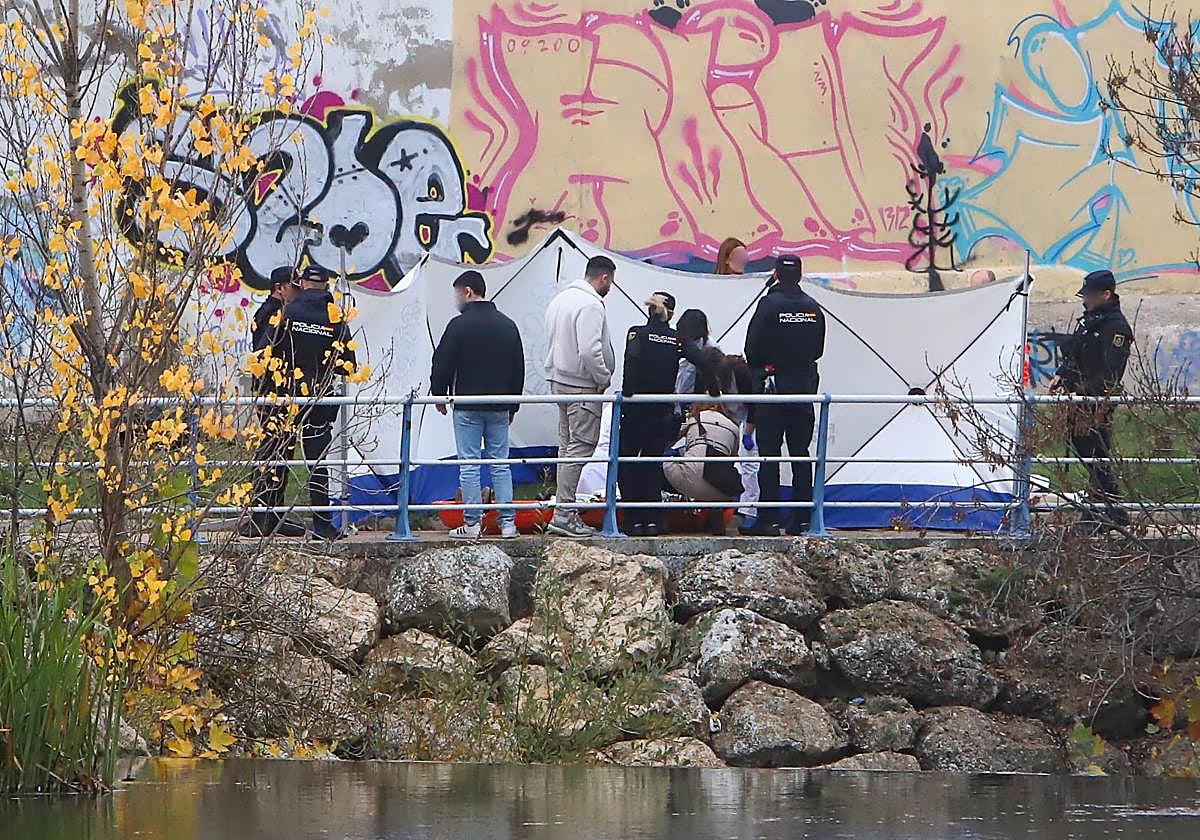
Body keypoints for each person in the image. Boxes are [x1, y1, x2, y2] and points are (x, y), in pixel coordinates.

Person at [242, 265, 358, 541]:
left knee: (276, 453)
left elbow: (266, 355)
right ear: (327, 287)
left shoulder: (288, 313)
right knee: (318, 461)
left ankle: (263, 518)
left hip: (285, 396)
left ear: (303, 285)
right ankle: (322, 525)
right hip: (320, 397)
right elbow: (348, 365)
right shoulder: (335, 317)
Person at [430, 270, 525, 540]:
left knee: (469, 464)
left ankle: (472, 525)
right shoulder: (507, 325)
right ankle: (508, 524)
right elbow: (519, 367)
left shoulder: (458, 325)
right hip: (499, 406)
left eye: (458, 293)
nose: (456, 299)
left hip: (467, 405)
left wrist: (439, 393)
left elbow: (442, 362)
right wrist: (513, 405)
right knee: (500, 464)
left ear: (468, 292)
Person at [620, 292, 716, 536]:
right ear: (670, 314)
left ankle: (632, 521)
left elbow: (631, 361)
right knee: (652, 463)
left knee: (628, 463)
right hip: (661, 411)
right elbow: (704, 362)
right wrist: (713, 391)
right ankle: (652, 520)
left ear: (649, 310)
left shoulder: (636, 332)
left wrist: (628, 392)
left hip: (635, 410)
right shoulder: (677, 339)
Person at [743, 255, 825, 536]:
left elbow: (751, 348)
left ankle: (768, 518)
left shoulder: (768, 305)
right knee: (801, 454)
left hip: (772, 389)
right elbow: (817, 351)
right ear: (800, 277)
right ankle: (802, 518)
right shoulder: (812, 308)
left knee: (769, 454)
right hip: (803, 389)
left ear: (776, 274)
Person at [1049, 268, 1134, 527]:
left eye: (1089, 295)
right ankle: (1107, 510)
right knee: (1086, 451)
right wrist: (1061, 375)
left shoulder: (1115, 328)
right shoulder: (1090, 322)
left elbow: (1111, 372)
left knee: (1094, 452)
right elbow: (1076, 352)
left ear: (1105, 295)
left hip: (1097, 402)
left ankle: (1105, 511)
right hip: (1079, 400)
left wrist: (1083, 392)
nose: (1084, 300)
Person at [543, 255, 617, 537]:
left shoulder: (561, 299)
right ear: (604, 278)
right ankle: (564, 513)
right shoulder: (591, 304)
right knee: (582, 446)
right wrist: (603, 377)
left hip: (559, 380)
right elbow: (589, 349)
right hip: (582, 385)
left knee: (567, 446)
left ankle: (563, 509)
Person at [240, 267, 306, 538]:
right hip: (271, 391)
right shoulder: (272, 313)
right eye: (294, 287)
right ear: (280, 288)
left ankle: (273, 513)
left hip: (281, 391)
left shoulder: (280, 312)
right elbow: (264, 350)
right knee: (271, 449)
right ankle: (260, 514)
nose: (299, 292)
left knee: (283, 451)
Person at [665, 350, 744, 535]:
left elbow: (670, 441)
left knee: (657, 462)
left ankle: (657, 518)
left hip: (689, 482)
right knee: (719, 469)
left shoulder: (694, 418)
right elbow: (732, 458)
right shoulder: (733, 426)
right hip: (722, 490)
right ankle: (716, 518)